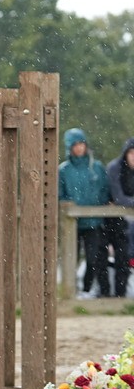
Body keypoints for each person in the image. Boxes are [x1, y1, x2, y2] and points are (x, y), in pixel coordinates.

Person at [60, 128, 115, 298]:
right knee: (70, 260)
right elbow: (60, 195)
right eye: (75, 145)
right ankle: (70, 292)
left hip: (94, 222)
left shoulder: (97, 168)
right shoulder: (63, 170)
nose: (79, 148)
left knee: (93, 259)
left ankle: (86, 289)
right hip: (72, 224)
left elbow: (105, 191)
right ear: (69, 147)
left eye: (81, 143)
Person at [105, 136, 134, 296]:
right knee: (108, 259)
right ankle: (108, 295)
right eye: (131, 153)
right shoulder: (114, 168)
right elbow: (118, 197)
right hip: (110, 221)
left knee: (125, 259)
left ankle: (121, 295)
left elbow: (124, 200)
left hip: (129, 221)